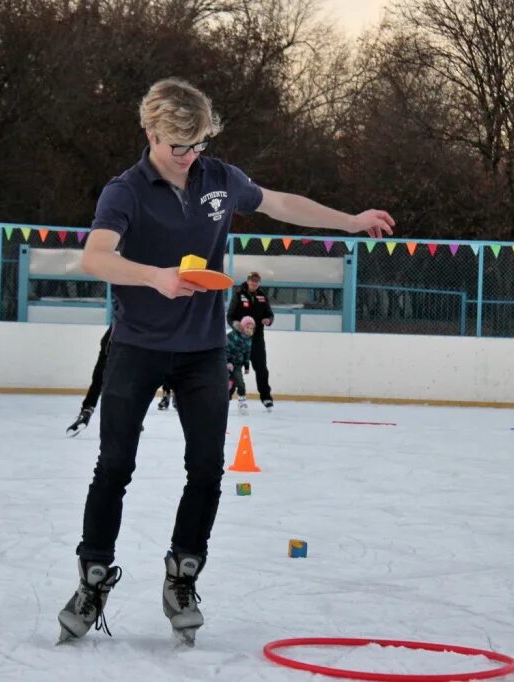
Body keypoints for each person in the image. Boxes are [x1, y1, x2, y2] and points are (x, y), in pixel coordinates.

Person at [57, 77, 394, 645]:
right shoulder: (125, 191)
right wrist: (154, 277)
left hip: (201, 353)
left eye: (196, 147)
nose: (187, 159)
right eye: (175, 147)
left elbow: (281, 203)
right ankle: (93, 578)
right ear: (150, 133)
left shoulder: (219, 179)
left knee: (208, 470)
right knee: (114, 466)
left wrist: (350, 220)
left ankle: (182, 575)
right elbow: (95, 257)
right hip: (136, 348)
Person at [67, 325, 145, 437]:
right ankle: (133, 417)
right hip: (126, 339)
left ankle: (87, 410)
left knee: (101, 377)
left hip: (116, 337)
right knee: (131, 379)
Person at [227, 272, 275, 409]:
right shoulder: (238, 295)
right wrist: (237, 325)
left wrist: (269, 320)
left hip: (257, 339)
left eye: (257, 281)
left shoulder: (263, 296)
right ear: (248, 281)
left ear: (259, 283)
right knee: (233, 369)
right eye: (252, 280)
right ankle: (227, 396)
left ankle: (266, 397)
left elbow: (269, 314)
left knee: (261, 369)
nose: (254, 283)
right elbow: (230, 316)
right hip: (239, 340)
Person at [226, 316, 255, 414]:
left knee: (240, 384)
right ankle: (222, 402)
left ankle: (242, 402)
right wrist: (228, 362)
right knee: (228, 387)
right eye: (247, 327)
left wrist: (247, 366)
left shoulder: (248, 340)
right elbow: (225, 348)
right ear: (242, 327)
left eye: (251, 328)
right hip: (226, 364)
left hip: (237, 365)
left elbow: (247, 354)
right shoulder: (232, 336)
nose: (249, 330)